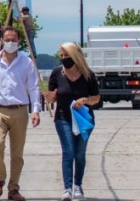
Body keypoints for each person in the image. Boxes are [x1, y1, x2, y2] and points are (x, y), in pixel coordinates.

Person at [0, 26, 41, 201]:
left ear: (19, 42)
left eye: (14, 40)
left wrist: (36, 110)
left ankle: (13, 189)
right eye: (7, 39)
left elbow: (34, 87)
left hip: (20, 110)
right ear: (2, 40)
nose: (10, 43)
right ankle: (0, 178)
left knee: (17, 153)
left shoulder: (26, 62)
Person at [45, 42, 100, 201]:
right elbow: (53, 96)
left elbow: (96, 98)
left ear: (75, 56)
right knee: (68, 152)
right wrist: (51, 97)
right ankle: (67, 188)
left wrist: (84, 100)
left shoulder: (88, 74)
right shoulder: (56, 73)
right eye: (61, 56)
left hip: (83, 120)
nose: (63, 59)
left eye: (66, 56)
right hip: (63, 118)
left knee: (79, 154)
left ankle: (78, 185)